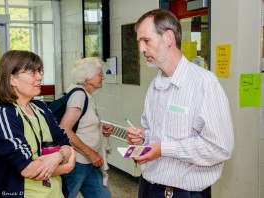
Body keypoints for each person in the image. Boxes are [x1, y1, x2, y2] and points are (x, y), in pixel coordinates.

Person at [125, 9, 234, 198]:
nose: (141, 49)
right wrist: (143, 139)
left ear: (168, 37)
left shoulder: (205, 84)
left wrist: (162, 149)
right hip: (148, 187)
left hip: (183, 193)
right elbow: (153, 132)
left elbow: (220, 148)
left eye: (146, 40)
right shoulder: (154, 86)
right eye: (139, 42)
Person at [0, 50, 76, 198]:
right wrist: (66, 167)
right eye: (32, 72)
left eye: (39, 71)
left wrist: (57, 156)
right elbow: (28, 169)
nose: (40, 77)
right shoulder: (2, 115)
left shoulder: (40, 108)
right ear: (12, 79)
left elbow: (66, 144)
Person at [60, 57, 114, 198]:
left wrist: (99, 130)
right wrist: (91, 154)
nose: (103, 77)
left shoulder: (87, 95)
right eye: (99, 74)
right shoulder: (79, 95)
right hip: (78, 163)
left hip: (90, 163)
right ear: (88, 78)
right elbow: (64, 129)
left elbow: (81, 124)